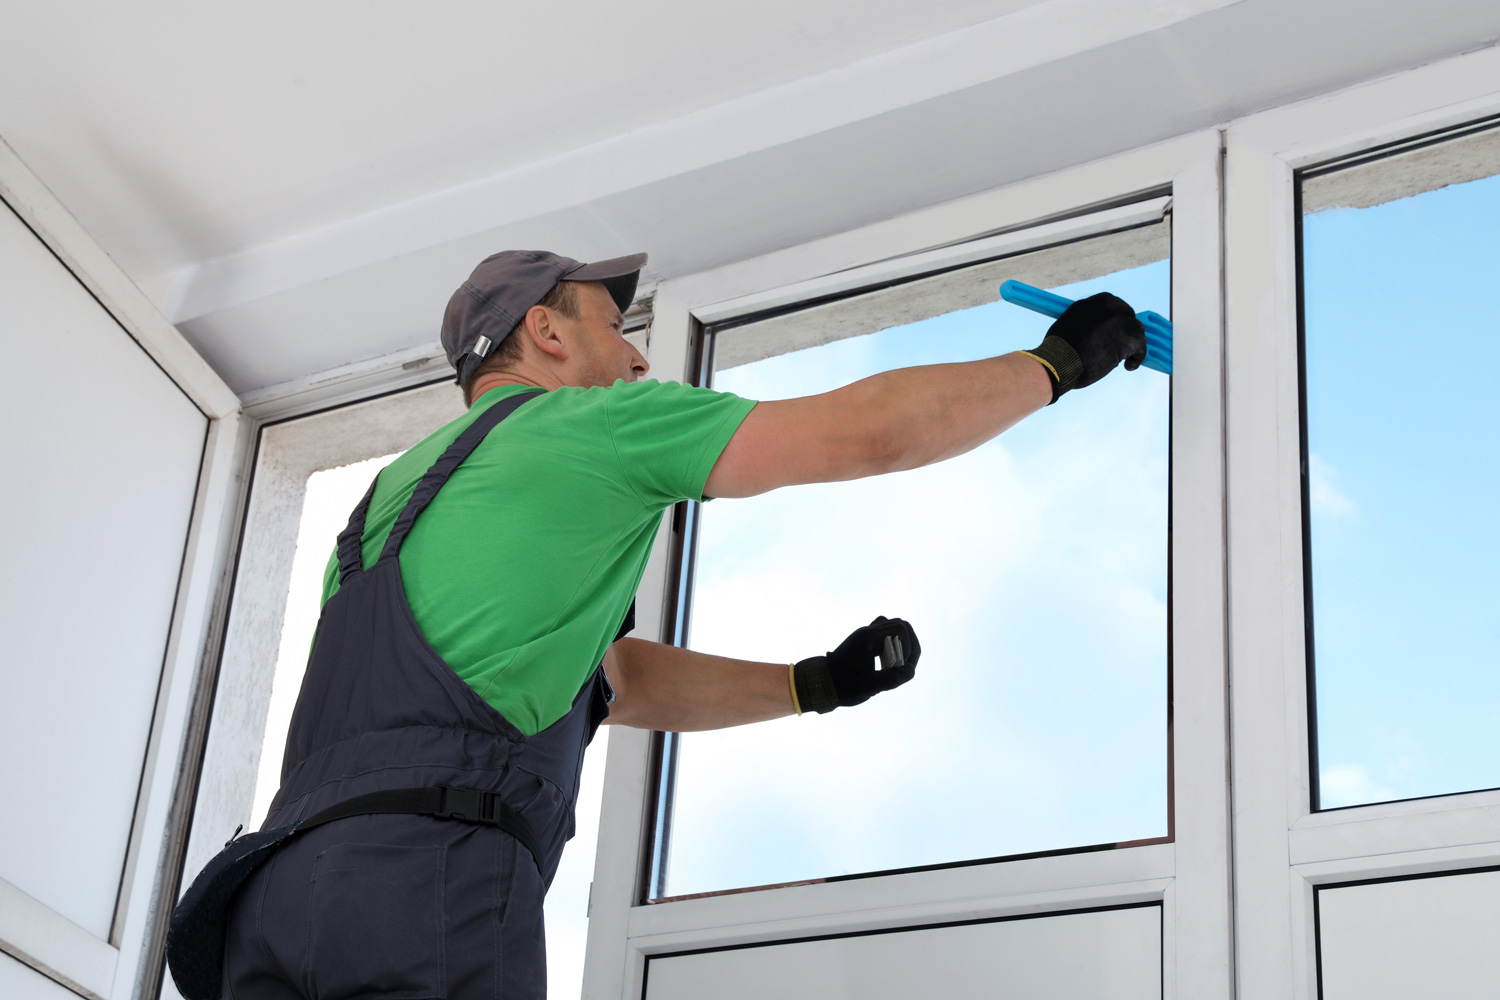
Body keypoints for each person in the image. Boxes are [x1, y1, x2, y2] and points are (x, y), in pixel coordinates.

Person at [195, 249, 1145, 1000]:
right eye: (616, 327)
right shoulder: (593, 427)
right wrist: (1053, 367)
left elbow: (614, 681)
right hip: (425, 883)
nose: (640, 357)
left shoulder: (387, 502)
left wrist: (814, 683)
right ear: (546, 334)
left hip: (272, 904)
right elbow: (867, 433)